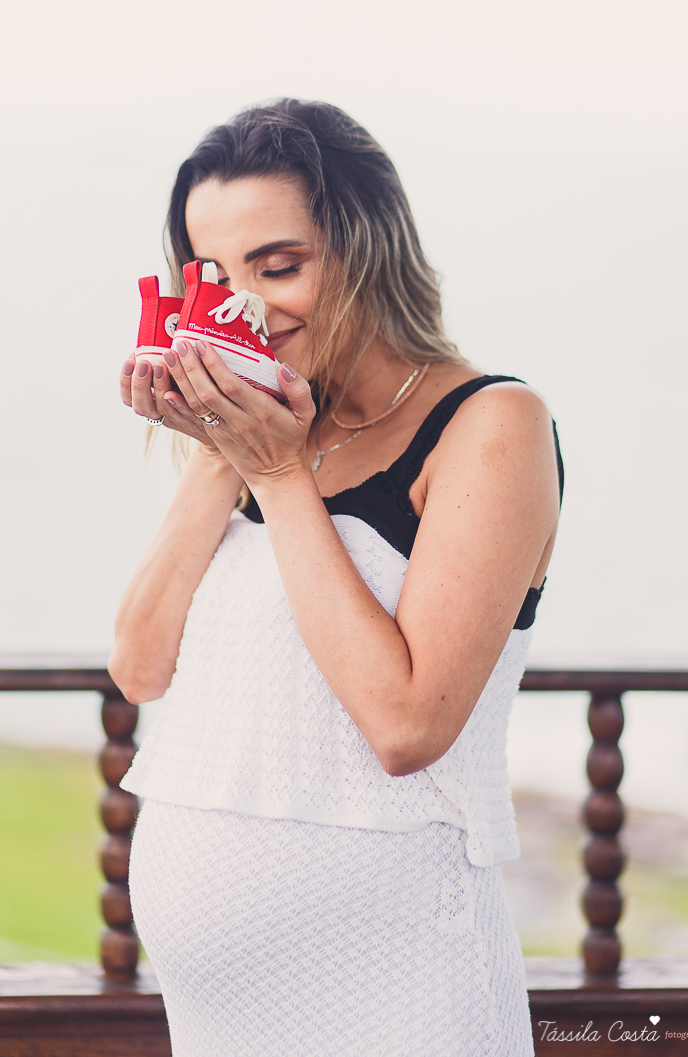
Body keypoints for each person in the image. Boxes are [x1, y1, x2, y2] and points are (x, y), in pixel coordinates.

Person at [110, 99, 562, 1057]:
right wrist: (217, 449)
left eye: (280, 267)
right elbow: (141, 667)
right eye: (213, 279)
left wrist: (276, 477)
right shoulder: (268, 433)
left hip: (404, 997)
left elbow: (407, 726)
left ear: (370, 249)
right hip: (221, 1024)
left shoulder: (492, 425)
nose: (243, 309)